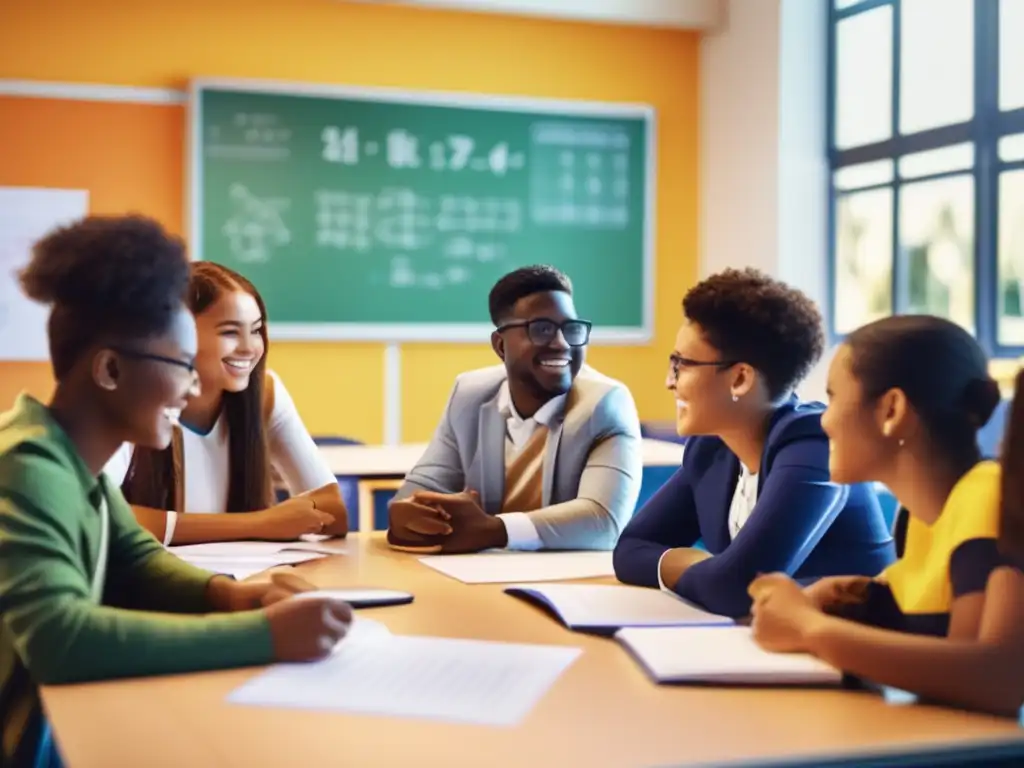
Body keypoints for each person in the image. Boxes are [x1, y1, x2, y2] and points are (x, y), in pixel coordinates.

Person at [0, 215, 352, 767]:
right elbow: (62, 640)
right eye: (182, 366)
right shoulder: (26, 465)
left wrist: (232, 595)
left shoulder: (72, 460)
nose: (194, 387)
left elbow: (136, 558)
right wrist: (263, 635)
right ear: (110, 369)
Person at [749, 315, 1024, 717]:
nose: (824, 420)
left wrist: (811, 628)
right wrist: (856, 602)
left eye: (833, 397)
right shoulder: (918, 518)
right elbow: (934, 633)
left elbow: (989, 680)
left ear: (891, 409)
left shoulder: (985, 495)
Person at [613, 269, 894, 618]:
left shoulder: (814, 448)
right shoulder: (711, 447)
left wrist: (709, 571)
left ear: (741, 378)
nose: (669, 382)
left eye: (682, 365)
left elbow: (735, 589)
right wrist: (706, 568)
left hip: (849, 657)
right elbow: (629, 551)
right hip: (767, 649)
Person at [387, 265, 643, 554]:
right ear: (500, 345)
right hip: (478, 582)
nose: (561, 344)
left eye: (571, 329)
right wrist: (407, 514)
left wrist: (493, 530)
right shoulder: (470, 395)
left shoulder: (604, 405)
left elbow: (602, 522)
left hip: (570, 586)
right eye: (542, 329)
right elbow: (421, 489)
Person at [106, 261, 348, 544]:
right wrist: (259, 524)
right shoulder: (125, 400)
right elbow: (98, 515)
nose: (249, 348)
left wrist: (263, 524)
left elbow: (334, 511)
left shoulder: (265, 394)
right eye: (231, 332)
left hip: (239, 579)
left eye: (256, 331)